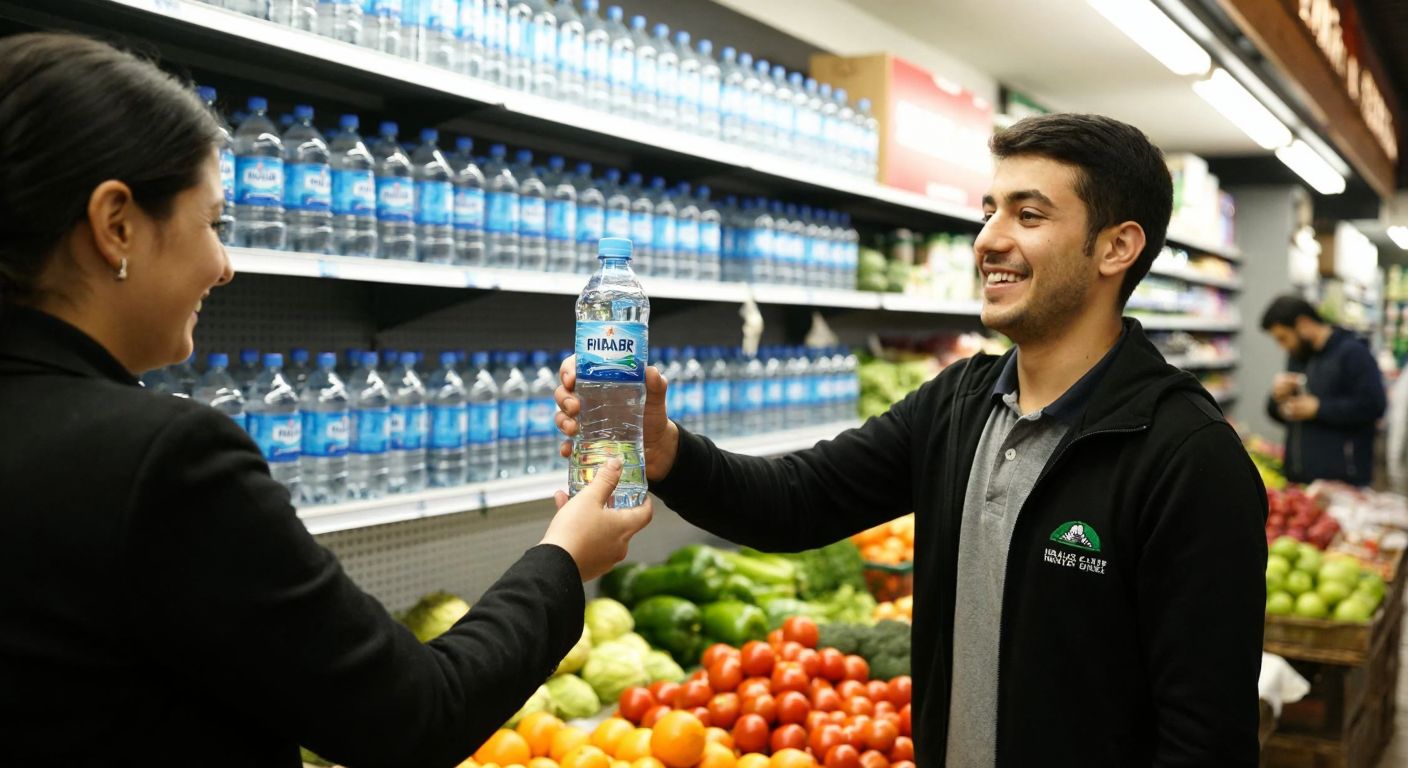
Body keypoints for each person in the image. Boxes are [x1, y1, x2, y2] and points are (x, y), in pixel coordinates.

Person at [0, 33, 651, 767]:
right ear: (116, 223)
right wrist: (564, 556)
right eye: (213, 223)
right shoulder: (163, 460)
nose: (224, 267)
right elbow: (411, 714)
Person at [557, 114, 1266, 765]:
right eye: (990, 212)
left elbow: (1206, 740)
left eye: (1029, 214)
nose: (989, 239)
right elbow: (797, 501)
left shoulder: (1186, 457)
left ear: (1117, 247)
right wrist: (667, 449)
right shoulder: (960, 405)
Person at [1262, 295, 1386, 486]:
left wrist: (1319, 408)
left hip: (1343, 483)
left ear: (1303, 323)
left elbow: (1374, 405)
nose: (1282, 346)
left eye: (1283, 338)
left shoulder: (1352, 353)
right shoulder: (1298, 356)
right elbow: (1280, 414)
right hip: (1299, 478)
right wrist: (1277, 398)